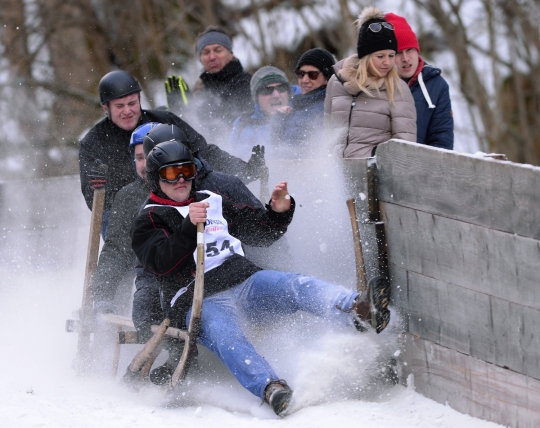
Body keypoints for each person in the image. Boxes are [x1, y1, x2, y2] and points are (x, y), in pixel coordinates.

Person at [130, 139, 391, 416]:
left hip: (244, 280)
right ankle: (271, 388)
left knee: (295, 284)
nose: (181, 179)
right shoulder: (149, 219)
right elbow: (160, 264)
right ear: (156, 179)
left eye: (187, 170)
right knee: (224, 333)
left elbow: (260, 234)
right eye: (171, 174)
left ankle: (359, 310)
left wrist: (278, 213)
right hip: (199, 299)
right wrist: (187, 227)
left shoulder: (212, 199)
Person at [91, 122, 266, 340]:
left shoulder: (220, 185)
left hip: (228, 276)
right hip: (167, 283)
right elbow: (117, 250)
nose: (148, 164)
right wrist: (101, 295)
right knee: (158, 310)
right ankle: (177, 361)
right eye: (140, 158)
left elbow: (261, 232)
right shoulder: (130, 198)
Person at [79, 70, 265, 237]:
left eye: (132, 103)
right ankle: (127, 271)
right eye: (119, 106)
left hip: (177, 195)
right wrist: (96, 185)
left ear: (139, 100)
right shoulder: (93, 143)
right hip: (129, 208)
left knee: (218, 194)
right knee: (114, 219)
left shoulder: (165, 121)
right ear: (106, 108)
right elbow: (94, 201)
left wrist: (245, 169)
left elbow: (204, 152)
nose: (127, 111)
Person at [324, 6, 417, 158]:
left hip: (373, 175)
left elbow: (404, 145)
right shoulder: (336, 82)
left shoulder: (398, 88)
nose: (387, 62)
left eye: (391, 55)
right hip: (336, 175)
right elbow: (327, 130)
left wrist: (375, 160)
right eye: (380, 56)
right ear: (365, 56)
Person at [385, 12, 453, 150]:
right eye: (398, 53)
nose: (405, 58)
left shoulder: (437, 86)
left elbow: (441, 141)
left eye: (409, 50)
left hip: (422, 167)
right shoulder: (378, 83)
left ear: (417, 51)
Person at [186, 26, 252, 140]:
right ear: (200, 59)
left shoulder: (246, 82)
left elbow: (236, 117)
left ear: (230, 54)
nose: (212, 57)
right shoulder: (197, 92)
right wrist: (180, 110)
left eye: (218, 50)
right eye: (206, 52)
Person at [275, 48, 336, 152]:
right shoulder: (295, 106)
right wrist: (279, 120)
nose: (304, 80)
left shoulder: (330, 106)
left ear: (327, 77)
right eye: (301, 74)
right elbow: (275, 145)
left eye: (313, 75)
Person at [229, 66, 292, 158]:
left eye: (281, 88)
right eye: (267, 90)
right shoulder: (242, 122)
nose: (276, 95)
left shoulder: (299, 118)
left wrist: (280, 122)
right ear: (257, 98)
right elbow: (231, 157)